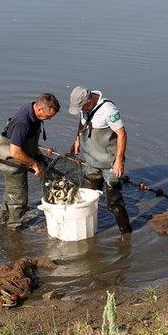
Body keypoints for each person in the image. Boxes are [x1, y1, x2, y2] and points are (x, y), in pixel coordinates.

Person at [68, 86, 132, 234]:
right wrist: (77, 139)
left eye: (82, 107)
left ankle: (126, 234)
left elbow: (122, 134)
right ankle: (90, 230)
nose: (81, 111)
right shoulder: (84, 107)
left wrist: (119, 160)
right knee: (86, 198)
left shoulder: (108, 110)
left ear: (89, 102)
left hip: (109, 162)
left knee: (114, 202)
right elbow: (82, 123)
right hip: (91, 160)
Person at [0, 93, 60, 230]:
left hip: (23, 150)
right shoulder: (22, 123)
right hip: (11, 158)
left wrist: (38, 155)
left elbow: (29, 139)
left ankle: (3, 219)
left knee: (12, 191)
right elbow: (15, 152)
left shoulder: (34, 112)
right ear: (40, 110)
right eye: (49, 116)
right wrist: (34, 163)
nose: (50, 119)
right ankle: (13, 229)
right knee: (19, 197)